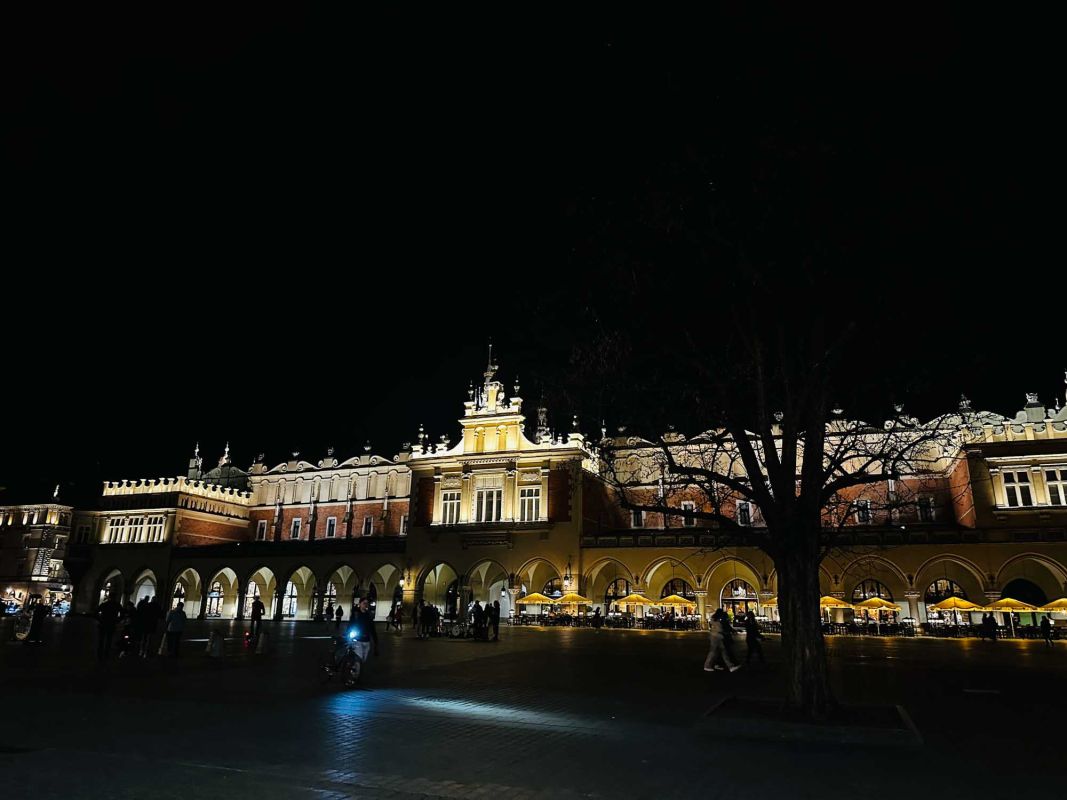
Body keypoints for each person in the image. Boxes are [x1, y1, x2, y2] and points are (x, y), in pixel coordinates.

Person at [348, 596, 379, 675]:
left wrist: (375, 641)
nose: (365, 605)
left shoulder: (369, 615)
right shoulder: (355, 614)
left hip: (367, 641)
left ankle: (354, 668)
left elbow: (372, 628)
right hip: (357, 640)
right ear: (360, 604)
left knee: (363, 659)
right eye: (364, 603)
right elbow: (350, 625)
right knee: (359, 657)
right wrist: (348, 634)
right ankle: (355, 676)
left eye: (367, 603)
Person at [96, 594, 122, 660]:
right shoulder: (117, 605)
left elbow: (96, 611)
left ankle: (100, 653)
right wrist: (118, 620)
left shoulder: (105, 604)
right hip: (111, 624)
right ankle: (106, 653)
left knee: (101, 639)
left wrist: (100, 619)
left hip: (103, 623)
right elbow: (122, 613)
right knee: (109, 640)